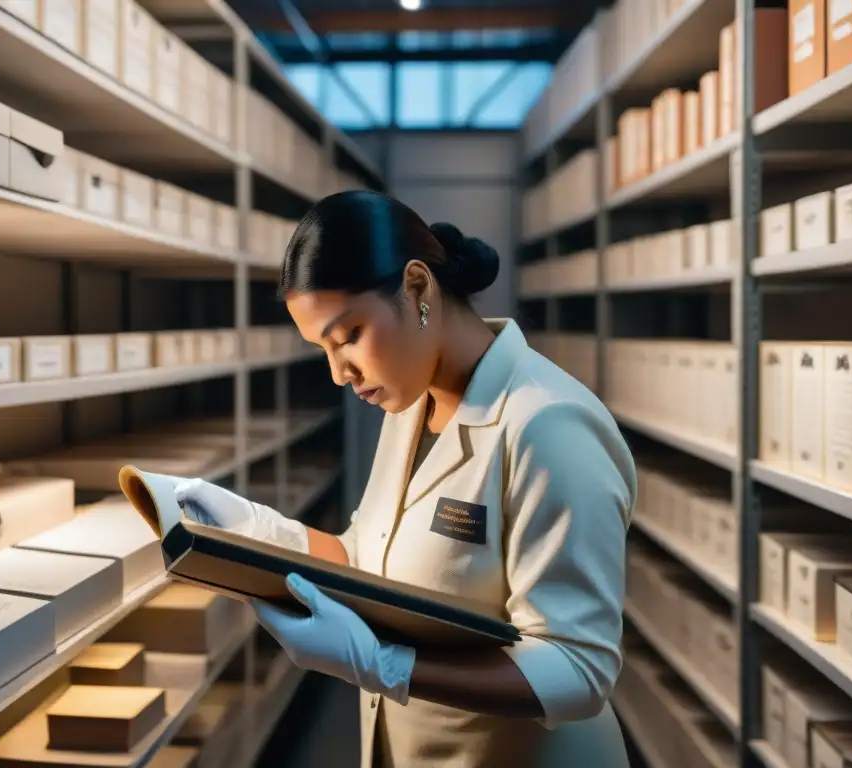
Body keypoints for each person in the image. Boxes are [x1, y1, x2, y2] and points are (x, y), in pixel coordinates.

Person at [173, 190, 637, 768]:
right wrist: (257, 535)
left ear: (417, 288)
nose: (340, 373)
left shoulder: (549, 425)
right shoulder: (410, 406)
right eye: (323, 348)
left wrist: (382, 665)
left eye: (349, 336)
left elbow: (578, 671)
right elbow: (370, 558)